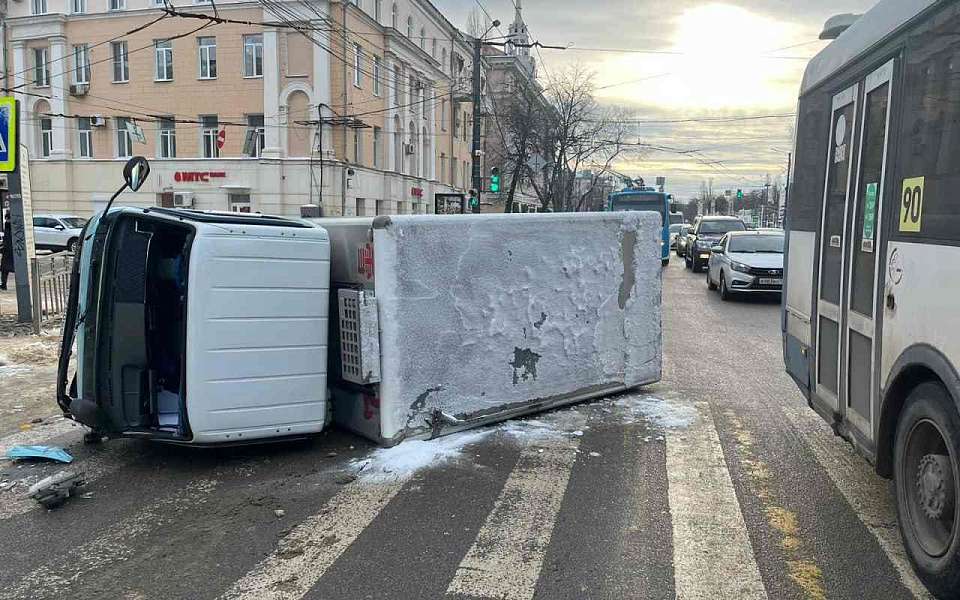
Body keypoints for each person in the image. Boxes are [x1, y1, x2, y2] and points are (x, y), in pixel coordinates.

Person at [1, 213, 13, 290]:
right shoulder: (8, 226)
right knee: (5, 269)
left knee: (5, 268)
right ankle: (3, 284)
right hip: (9, 251)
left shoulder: (8, 226)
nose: (6, 220)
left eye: (7, 219)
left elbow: (8, 239)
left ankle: (4, 284)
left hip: (9, 251)